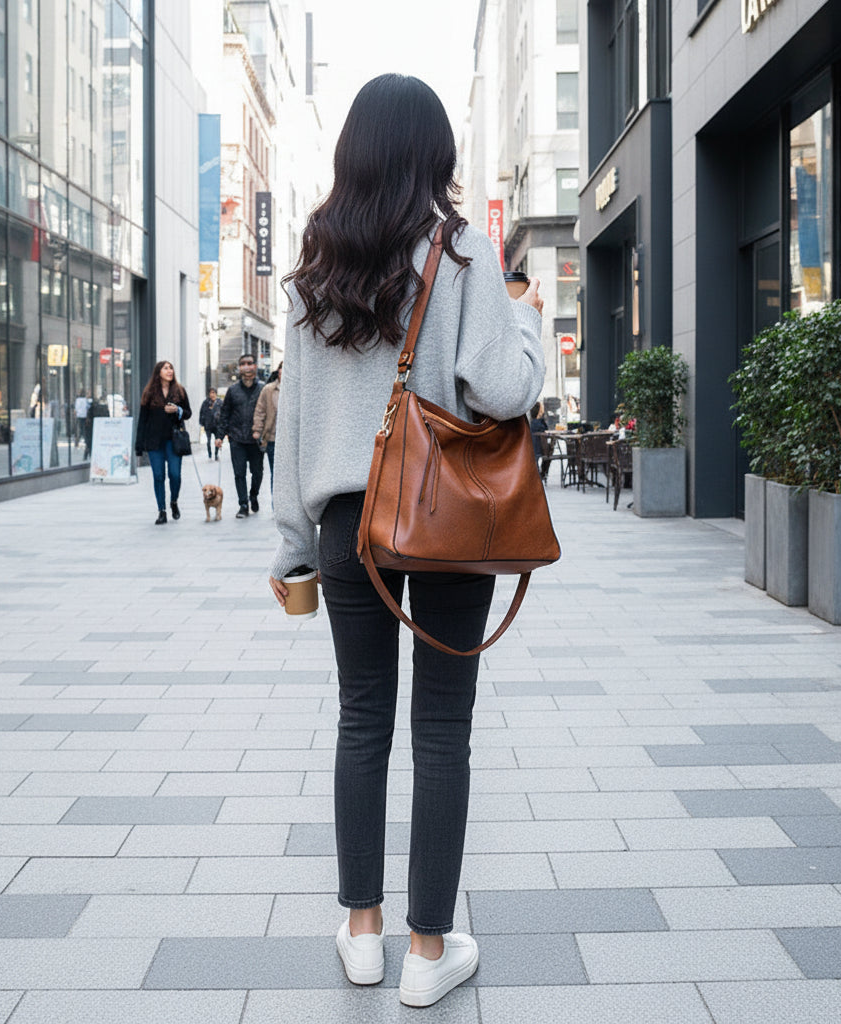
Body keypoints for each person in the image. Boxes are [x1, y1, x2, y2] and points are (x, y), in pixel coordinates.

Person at [267, 74, 544, 1008]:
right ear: (436, 154)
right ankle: (429, 951)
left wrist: (291, 545)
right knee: (442, 729)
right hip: (444, 517)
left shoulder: (315, 266)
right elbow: (502, 388)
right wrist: (527, 321)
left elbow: (295, 422)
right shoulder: (461, 251)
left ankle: (362, 932)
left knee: (361, 719)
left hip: (346, 523)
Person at [134, 360, 192, 524]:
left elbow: (188, 413)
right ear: (158, 372)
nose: (169, 371)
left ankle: (174, 501)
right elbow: (142, 420)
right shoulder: (149, 393)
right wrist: (139, 445)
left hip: (173, 441)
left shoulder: (179, 391)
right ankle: (162, 510)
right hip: (154, 441)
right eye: (165, 368)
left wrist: (177, 410)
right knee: (158, 476)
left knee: (175, 475)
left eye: (171, 368)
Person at [215, 354, 264, 517]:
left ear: (255, 366)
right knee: (239, 473)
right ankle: (243, 504)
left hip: (256, 440)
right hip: (237, 439)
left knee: (257, 472)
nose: (246, 366)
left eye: (250, 363)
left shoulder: (263, 389)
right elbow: (225, 414)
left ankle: (253, 495)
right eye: (243, 364)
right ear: (239, 368)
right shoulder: (233, 390)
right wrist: (220, 436)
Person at [252, 362, 280, 493]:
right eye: (282, 368)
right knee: (276, 473)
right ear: (278, 371)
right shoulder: (268, 390)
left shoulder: (297, 388)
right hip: (273, 437)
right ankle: (276, 504)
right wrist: (257, 430)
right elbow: (260, 410)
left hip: (292, 440)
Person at [198, 387, 222, 460]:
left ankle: (216, 454)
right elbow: (202, 412)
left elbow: (224, 413)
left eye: (213, 393)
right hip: (208, 424)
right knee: (208, 440)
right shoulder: (205, 402)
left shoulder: (220, 402)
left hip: (217, 425)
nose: (212, 395)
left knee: (217, 440)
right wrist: (202, 422)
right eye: (211, 393)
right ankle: (209, 454)